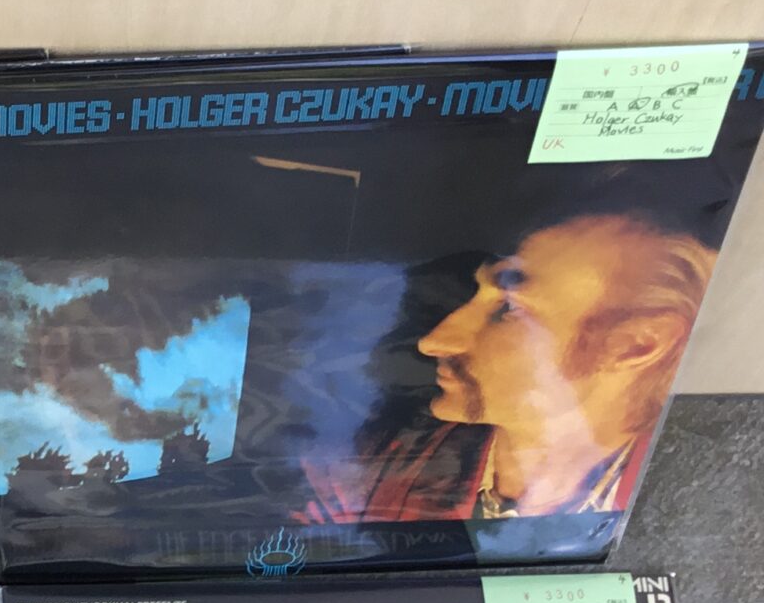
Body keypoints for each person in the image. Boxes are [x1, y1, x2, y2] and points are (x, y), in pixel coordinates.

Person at [304, 213, 716, 523]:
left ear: (637, 344)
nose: (435, 342)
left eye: (509, 310)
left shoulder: (699, 501)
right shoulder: (374, 462)